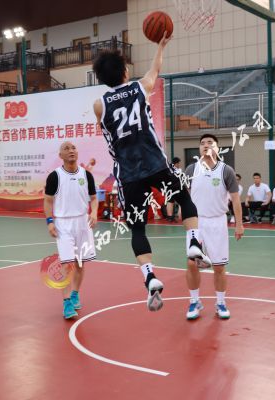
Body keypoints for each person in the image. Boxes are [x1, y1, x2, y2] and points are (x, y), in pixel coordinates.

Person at [92, 31, 211, 312]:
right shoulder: (139, 87)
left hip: (128, 174)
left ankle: (150, 278)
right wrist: (161, 46)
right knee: (183, 197)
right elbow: (154, 70)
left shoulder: (99, 105)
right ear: (125, 71)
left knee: (138, 227)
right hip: (155, 163)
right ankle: (193, 243)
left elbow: (105, 127)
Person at [184, 134, 244, 320]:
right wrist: (183, 213)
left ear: (217, 148)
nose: (206, 145)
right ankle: (195, 301)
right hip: (196, 222)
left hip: (217, 221)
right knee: (192, 264)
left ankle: (220, 303)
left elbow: (236, 200)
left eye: (210, 143)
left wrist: (239, 224)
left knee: (219, 267)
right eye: (202, 143)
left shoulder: (226, 171)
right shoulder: (191, 169)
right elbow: (185, 195)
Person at [44, 142, 98, 319]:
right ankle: (66, 303)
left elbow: (94, 198)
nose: (71, 151)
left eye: (73, 148)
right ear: (60, 155)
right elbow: (48, 201)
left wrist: (94, 213)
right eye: (66, 149)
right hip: (63, 224)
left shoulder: (86, 175)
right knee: (67, 264)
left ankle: (75, 294)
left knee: (80, 264)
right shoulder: (55, 176)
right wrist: (50, 222)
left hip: (83, 222)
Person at [165, 157, 182, 222]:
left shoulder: (169, 168)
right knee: (179, 201)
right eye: (179, 163)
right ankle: (179, 215)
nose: (179, 164)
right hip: (175, 187)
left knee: (170, 201)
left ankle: (169, 216)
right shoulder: (176, 170)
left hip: (169, 187)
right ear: (176, 163)